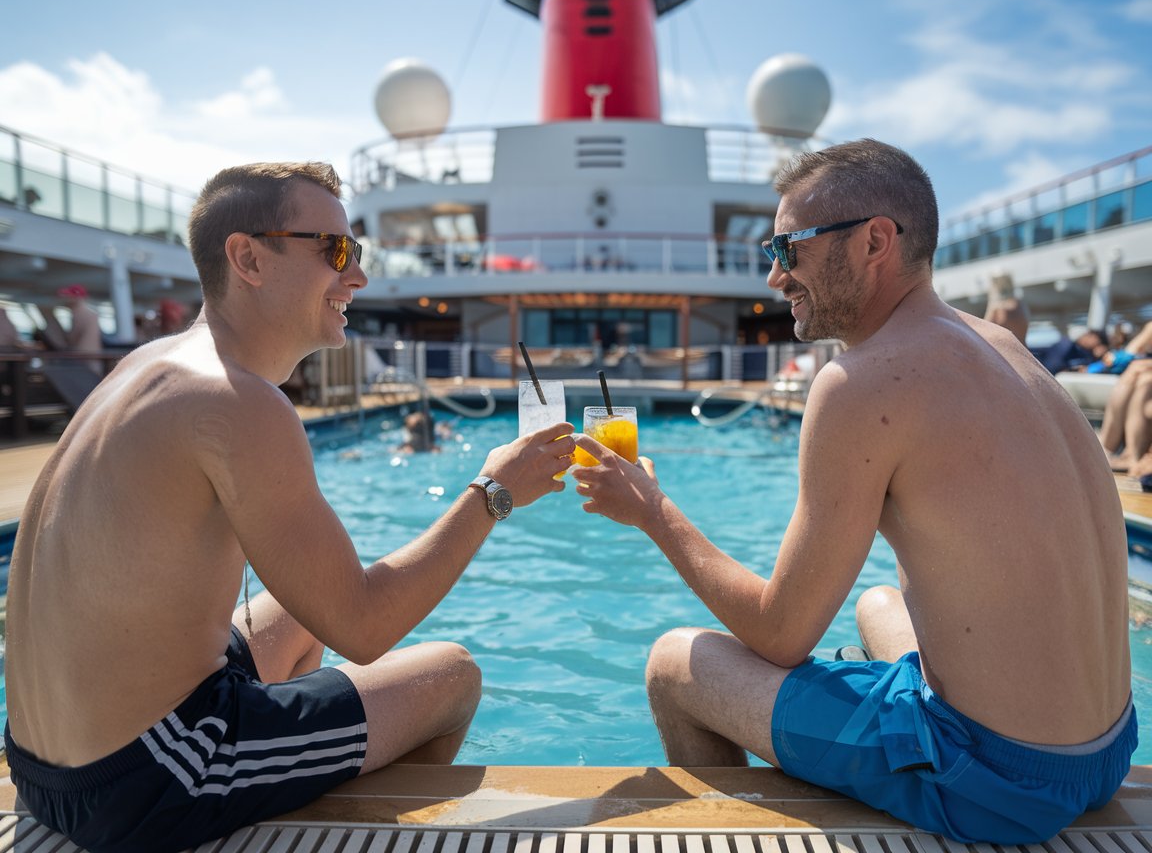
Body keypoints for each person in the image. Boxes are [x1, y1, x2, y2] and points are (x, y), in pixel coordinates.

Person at [571, 139, 1135, 844]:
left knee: (674, 664)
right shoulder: (1003, 348)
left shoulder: (861, 381)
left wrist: (654, 513)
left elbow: (781, 635)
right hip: (1105, 752)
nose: (775, 276)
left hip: (996, 780)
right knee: (877, 602)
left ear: (874, 241)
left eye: (789, 248)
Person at [3, 161, 576, 853]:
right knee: (448, 674)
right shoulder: (237, 403)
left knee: (294, 621)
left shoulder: (149, 367)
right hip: (148, 780)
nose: (357, 276)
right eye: (333, 250)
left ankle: (286, 800)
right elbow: (365, 628)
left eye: (355, 251)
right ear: (247, 257)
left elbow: (328, 609)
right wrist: (493, 493)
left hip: (39, 769)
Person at [38, 284, 105, 374]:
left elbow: (70, 341)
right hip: (90, 361)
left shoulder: (80, 314)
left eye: (68, 296)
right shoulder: (88, 313)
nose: (65, 299)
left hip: (85, 363)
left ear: (76, 298)